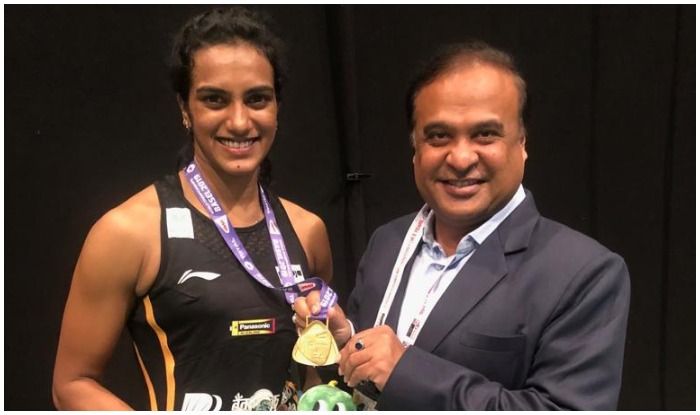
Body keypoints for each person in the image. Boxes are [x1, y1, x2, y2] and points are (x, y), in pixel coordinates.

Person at [294, 40, 630, 410]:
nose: (461, 157)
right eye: (438, 136)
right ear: (415, 148)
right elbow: (366, 385)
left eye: (485, 134)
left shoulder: (584, 274)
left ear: (522, 143)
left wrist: (407, 372)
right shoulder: (388, 242)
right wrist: (346, 342)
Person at [52, 7, 333, 410]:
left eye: (257, 99)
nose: (240, 122)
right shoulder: (129, 232)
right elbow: (71, 384)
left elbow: (313, 372)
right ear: (185, 108)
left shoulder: (308, 231)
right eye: (215, 100)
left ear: (277, 107)